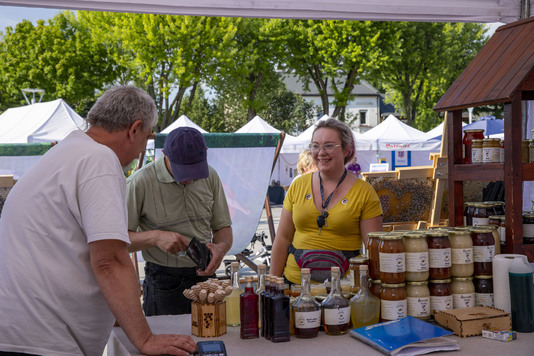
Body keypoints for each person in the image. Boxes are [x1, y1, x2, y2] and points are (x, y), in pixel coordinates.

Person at [0, 86, 197, 356]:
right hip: (44, 340)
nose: (142, 149)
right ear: (134, 129)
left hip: (25, 332)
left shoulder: (69, 152)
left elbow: (79, 246)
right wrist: (145, 339)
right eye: (147, 137)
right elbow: (109, 260)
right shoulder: (99, 159)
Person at [126, 127, 233, 316]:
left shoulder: (211, 176)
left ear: (205, 153)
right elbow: (118, 242)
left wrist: (221, 248)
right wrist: (155, 237)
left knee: (212, 341)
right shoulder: (140, 182)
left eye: (194, 170)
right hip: (163, 282)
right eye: (183, 170)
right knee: (166, 343)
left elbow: (223, 228)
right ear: (164, 154)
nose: (189, 178)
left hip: (206, 280)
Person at [270, 118, 383, 285]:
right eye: (315, 146)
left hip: (344, 290)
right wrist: (273, 283)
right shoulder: (298, 185)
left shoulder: (364, 192)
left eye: (329, 145)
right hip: (294, 286)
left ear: (346, 149)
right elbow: (283, 239)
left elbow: (374, 249)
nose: (321, 152)